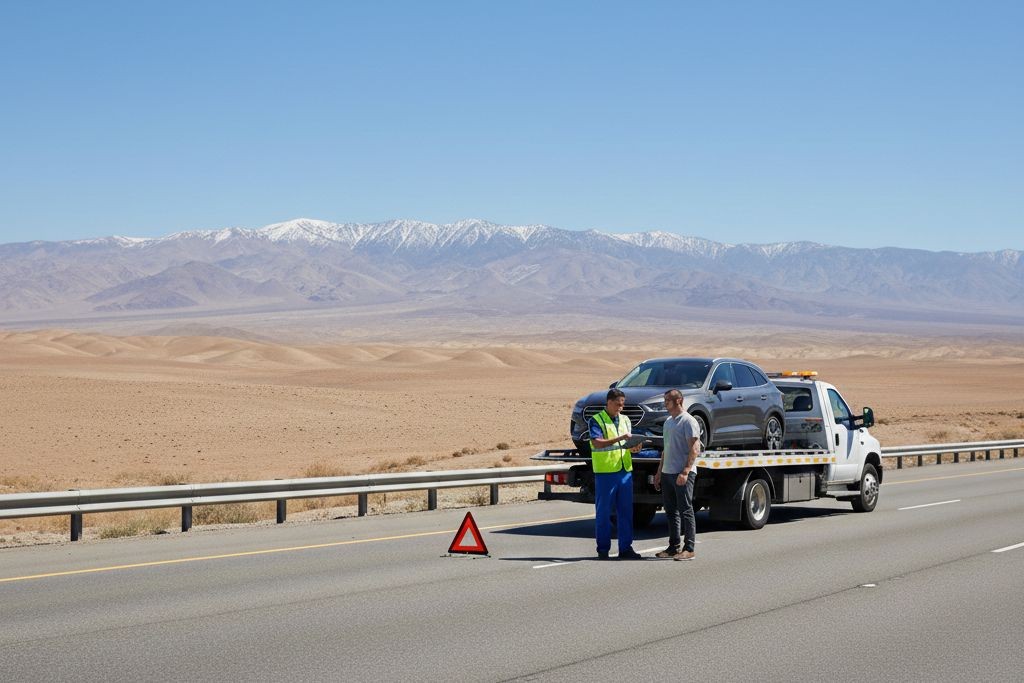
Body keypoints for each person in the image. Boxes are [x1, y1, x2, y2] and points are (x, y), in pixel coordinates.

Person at [588, 388, 643, 560]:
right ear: (609, 402)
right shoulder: (596, 420)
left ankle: (625, 548)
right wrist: (620, 439)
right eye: (618, 404)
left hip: (624, 470)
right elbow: (597, 443)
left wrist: (635, 447)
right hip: (606, 472)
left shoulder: (626, 420)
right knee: (604, 513)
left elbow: (628, 444)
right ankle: (603, 549)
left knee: (626, 512)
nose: (621, 408)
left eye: (622, 405)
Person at [652, 388, 700, 561]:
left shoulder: (688, 421)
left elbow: (695, 449)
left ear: (678, 401)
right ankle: (673, 547)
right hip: (667, 473)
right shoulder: (668, 422)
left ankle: (689, 548)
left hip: (682, 474)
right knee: (671, 511)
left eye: (667, 400)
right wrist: (659, 472)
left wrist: (686, 471)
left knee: (686, 510)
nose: (665, 403)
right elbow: (666, 450)